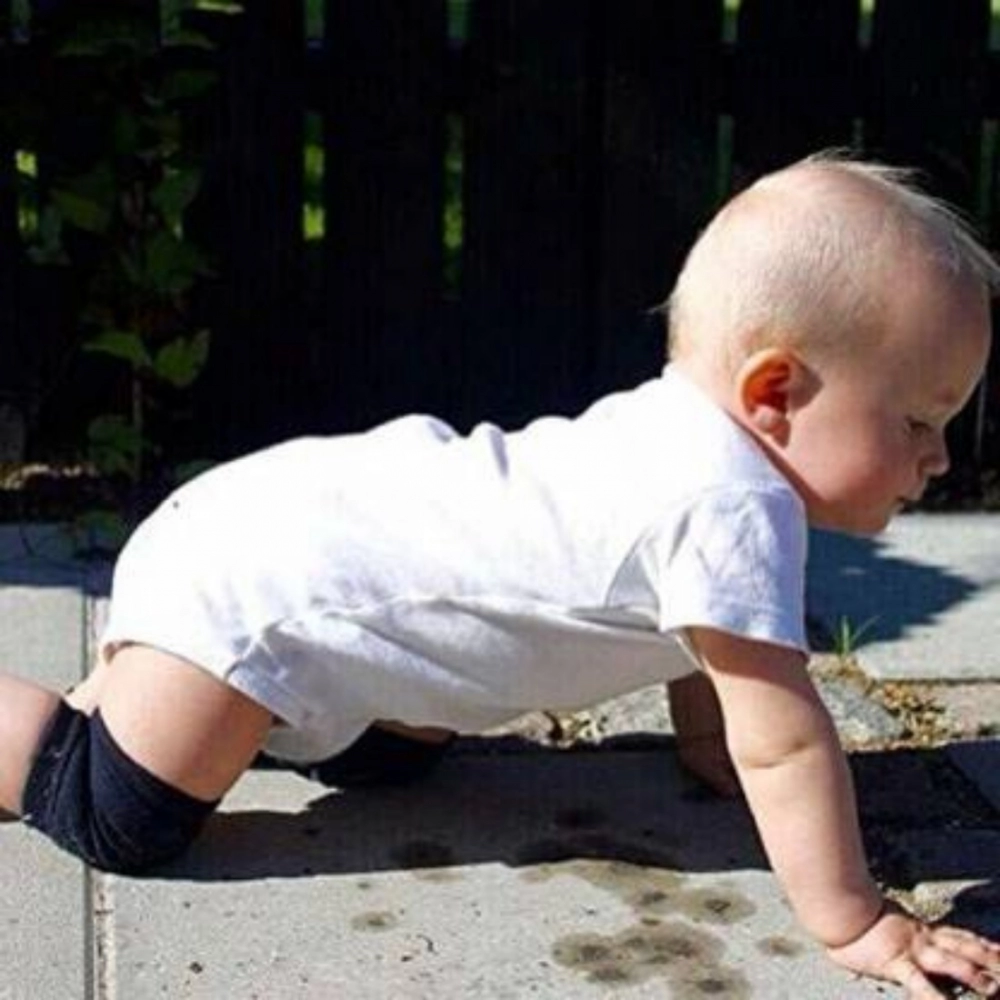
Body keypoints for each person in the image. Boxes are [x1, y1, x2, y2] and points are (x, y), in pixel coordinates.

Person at [3, 150, 1000, 998]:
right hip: (250, 596)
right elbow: (781, 741)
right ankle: (76, 720)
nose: (938, 459)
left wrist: (709, 748)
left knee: (396, 762)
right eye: (919, 422)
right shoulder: (730, 505)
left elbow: (710, 654)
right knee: (117, 816)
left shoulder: (689, 452)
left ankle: (155, 702)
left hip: (294, 561)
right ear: (775, 390)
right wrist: (856, 920)